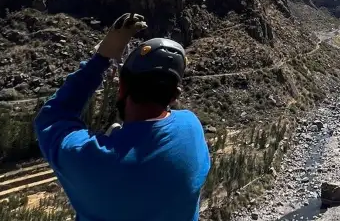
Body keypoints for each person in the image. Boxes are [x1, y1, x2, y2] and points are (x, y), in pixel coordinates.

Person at [34, 13, 211, 221]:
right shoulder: (191, 127)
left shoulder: (89, 159)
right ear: (174, 96)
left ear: (122, 87)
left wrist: (101, 59)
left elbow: (52, 117)